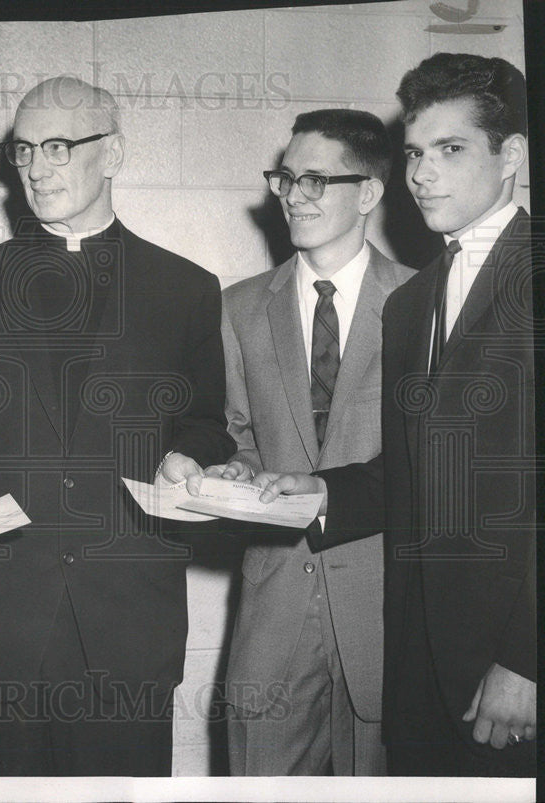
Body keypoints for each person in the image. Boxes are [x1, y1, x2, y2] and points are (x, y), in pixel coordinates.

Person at [0, 76, 234, 776]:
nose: (37, 167)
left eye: (58, 146)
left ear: (111, 153)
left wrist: (187, 457)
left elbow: (206, 423)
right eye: (24, 151)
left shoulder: (188, 289)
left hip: (126, 627)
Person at [253, 53, 535, 777]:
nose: (422, 174)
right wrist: (324, 493)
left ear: (512, 156)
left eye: (450, 150)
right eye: (415, 153)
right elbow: (409, 475)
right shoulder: (412, 302)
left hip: (511, 670)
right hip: (418, 668)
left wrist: (527, 659)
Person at [204, 109, 413, 775]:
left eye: (316, 180)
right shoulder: (238, 308)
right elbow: (239, 437)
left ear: (371, 193)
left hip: (388, 609)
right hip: (274, 608)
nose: (293, 195)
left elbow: (431, 465)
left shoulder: (421, 303)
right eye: (287, 178)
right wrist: (233, 472)